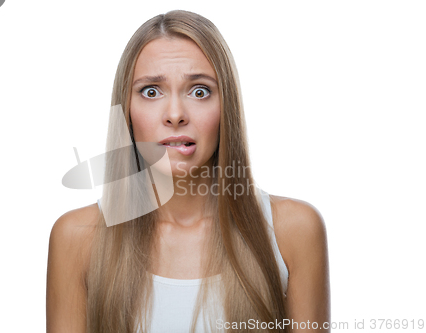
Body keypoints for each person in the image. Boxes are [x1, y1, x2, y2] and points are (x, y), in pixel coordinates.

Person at [46, 9, 330, 333]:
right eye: (151, 91)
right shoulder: (77, 238)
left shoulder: (293, 231)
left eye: (200, 91)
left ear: (227, 107)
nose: (176, 114)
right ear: (126, 111)